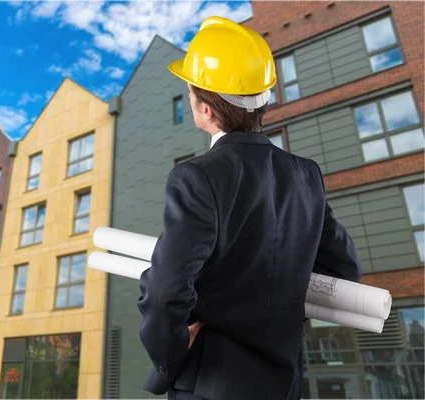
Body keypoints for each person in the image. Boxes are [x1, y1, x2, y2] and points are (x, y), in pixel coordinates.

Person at [137, 16, 362, 400]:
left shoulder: (196, 177)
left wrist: (171, 355)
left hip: (211, 383)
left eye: (191, 92)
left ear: (206, 109)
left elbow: (164, 293)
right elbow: (343, 270)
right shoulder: (306, 175)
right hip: (285, 384)